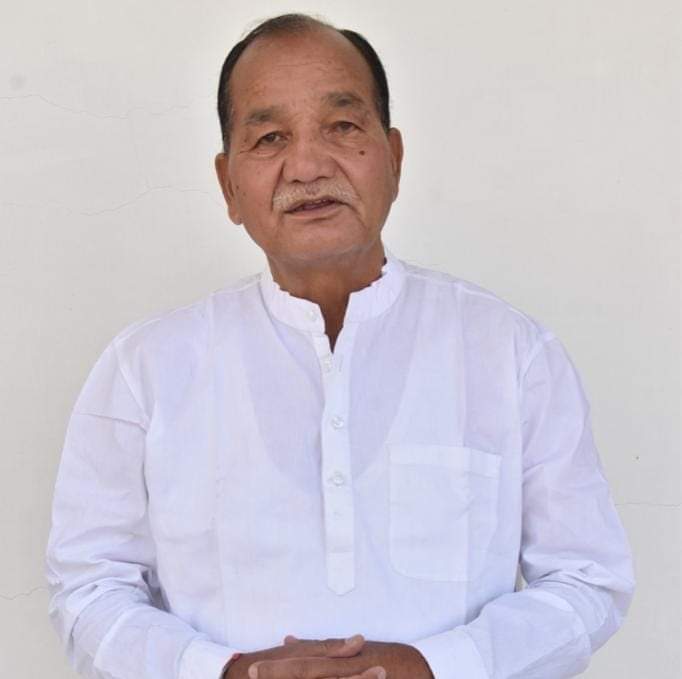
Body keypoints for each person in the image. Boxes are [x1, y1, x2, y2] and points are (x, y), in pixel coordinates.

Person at [45, 12, 636, 679]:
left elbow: (588, 580)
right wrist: (225, 672)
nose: (307, 166)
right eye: (269, 137)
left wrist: (430, 667)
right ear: (229, 185)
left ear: (395, 159)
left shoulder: (512, 354)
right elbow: (89, 587)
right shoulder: (144, 370)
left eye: (343, 126)